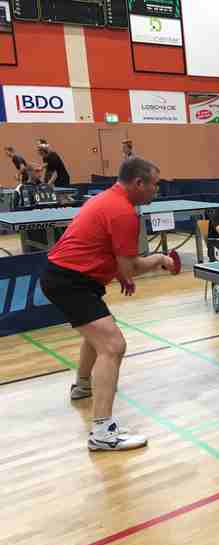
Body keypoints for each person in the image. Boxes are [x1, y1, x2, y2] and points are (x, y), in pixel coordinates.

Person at [40, 158, 175, 451]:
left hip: (67, 277)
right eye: (154, 184)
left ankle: (83, 386)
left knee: (98, 336)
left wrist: (122, 274)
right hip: (70, 280)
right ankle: (103, 432)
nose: (156, 189)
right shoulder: (123, 212)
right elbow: (131, 266)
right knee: (113, 346)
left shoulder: (106, 199)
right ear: (138, 183)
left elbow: (113, 256)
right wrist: (160, 259)